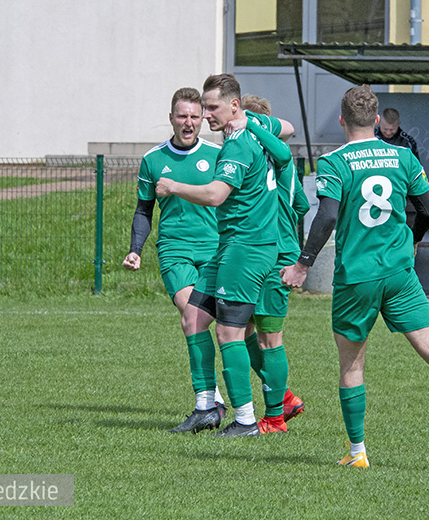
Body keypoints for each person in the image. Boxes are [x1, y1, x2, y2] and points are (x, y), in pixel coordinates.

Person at [280, 85, 429, 469]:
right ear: (375, 120)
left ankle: (357, 454)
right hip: (400, 272)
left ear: (341, 120)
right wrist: (412, 241)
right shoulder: (403, 156)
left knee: (352, 366)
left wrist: (302, 264)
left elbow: (328, 216)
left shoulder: (335, 161)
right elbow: (428, 210)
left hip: (358, 277)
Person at [155, 73, 295, 437]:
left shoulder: (236, 146)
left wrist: (173, 187)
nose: (205, 114)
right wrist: (256, 125)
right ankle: (205, 407)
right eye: (204, 106)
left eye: (212, 107)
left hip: (247, 249)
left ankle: (248, 419)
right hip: (229, 246)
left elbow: (216, 195)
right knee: (194, 319)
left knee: (234, 334)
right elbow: (287, 134)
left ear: (234, 106)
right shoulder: (254, 127)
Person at [121, 87, 227, 433]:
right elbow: (143, 210)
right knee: (192, 317)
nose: (189, 122)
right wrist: (136, 248)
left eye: (195, 116)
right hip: (175, 251)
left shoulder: (218, 154)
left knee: (219, 326)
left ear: (202, 120)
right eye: (182, 116)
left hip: (215, 250)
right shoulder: (153, 160)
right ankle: (207, 403)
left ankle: (218, 401)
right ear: (171, 118)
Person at [218, 94, 307, 433]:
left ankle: (273, 416)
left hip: (275, 255)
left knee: (269, 337)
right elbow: (300, 204)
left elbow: (296, 201)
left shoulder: (273, 158)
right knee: (247, 331)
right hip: (269, 250)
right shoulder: (265, 159)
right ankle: (282, 397)